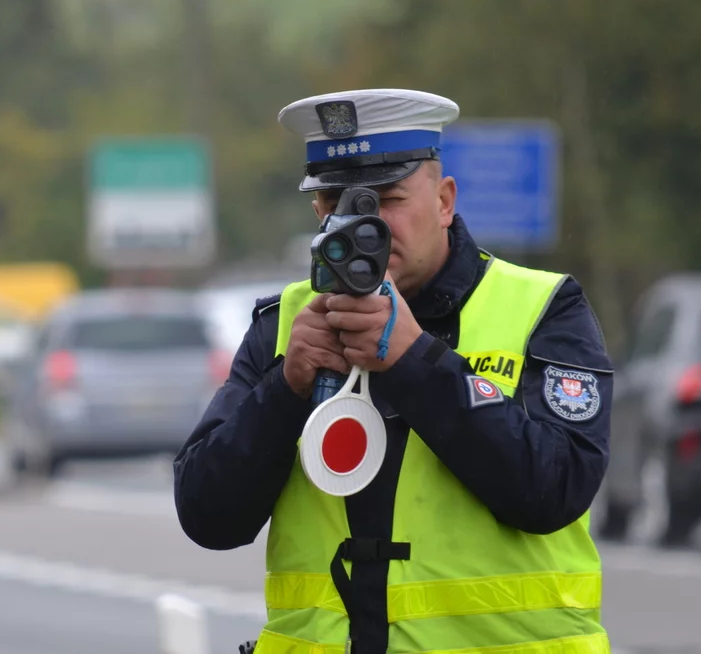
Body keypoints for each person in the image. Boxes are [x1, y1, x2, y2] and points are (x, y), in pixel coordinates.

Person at [173, 89, 614, 654]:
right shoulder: (284, 323)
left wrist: (415, 360)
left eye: (386, 199)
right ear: (316, 213)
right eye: (338, 202)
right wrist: (287, 387)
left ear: (444, 201)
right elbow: (208, 517)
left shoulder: (543, 308)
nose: (363, 225)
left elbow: (555, 488)